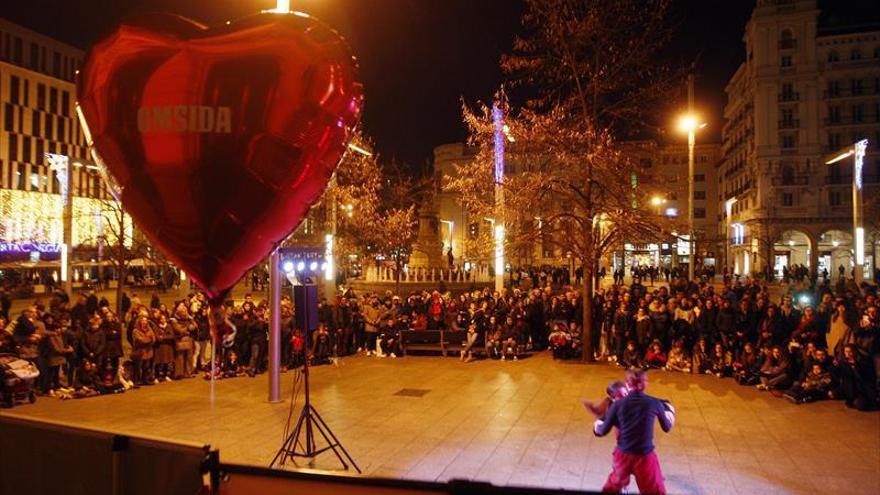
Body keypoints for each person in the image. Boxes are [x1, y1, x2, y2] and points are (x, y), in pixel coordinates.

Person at [593, 369, 675, 494]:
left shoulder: (617, 404)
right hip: (644, 456)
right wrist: (670, 411)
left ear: (628, 384)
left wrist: (599, 424)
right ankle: (623, 486)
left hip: (623, 454)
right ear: (645, 384)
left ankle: (622, 486)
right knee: (655, 491)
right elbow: (667, 427)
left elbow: (601, 432)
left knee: (613, 487)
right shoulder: (653, 403)